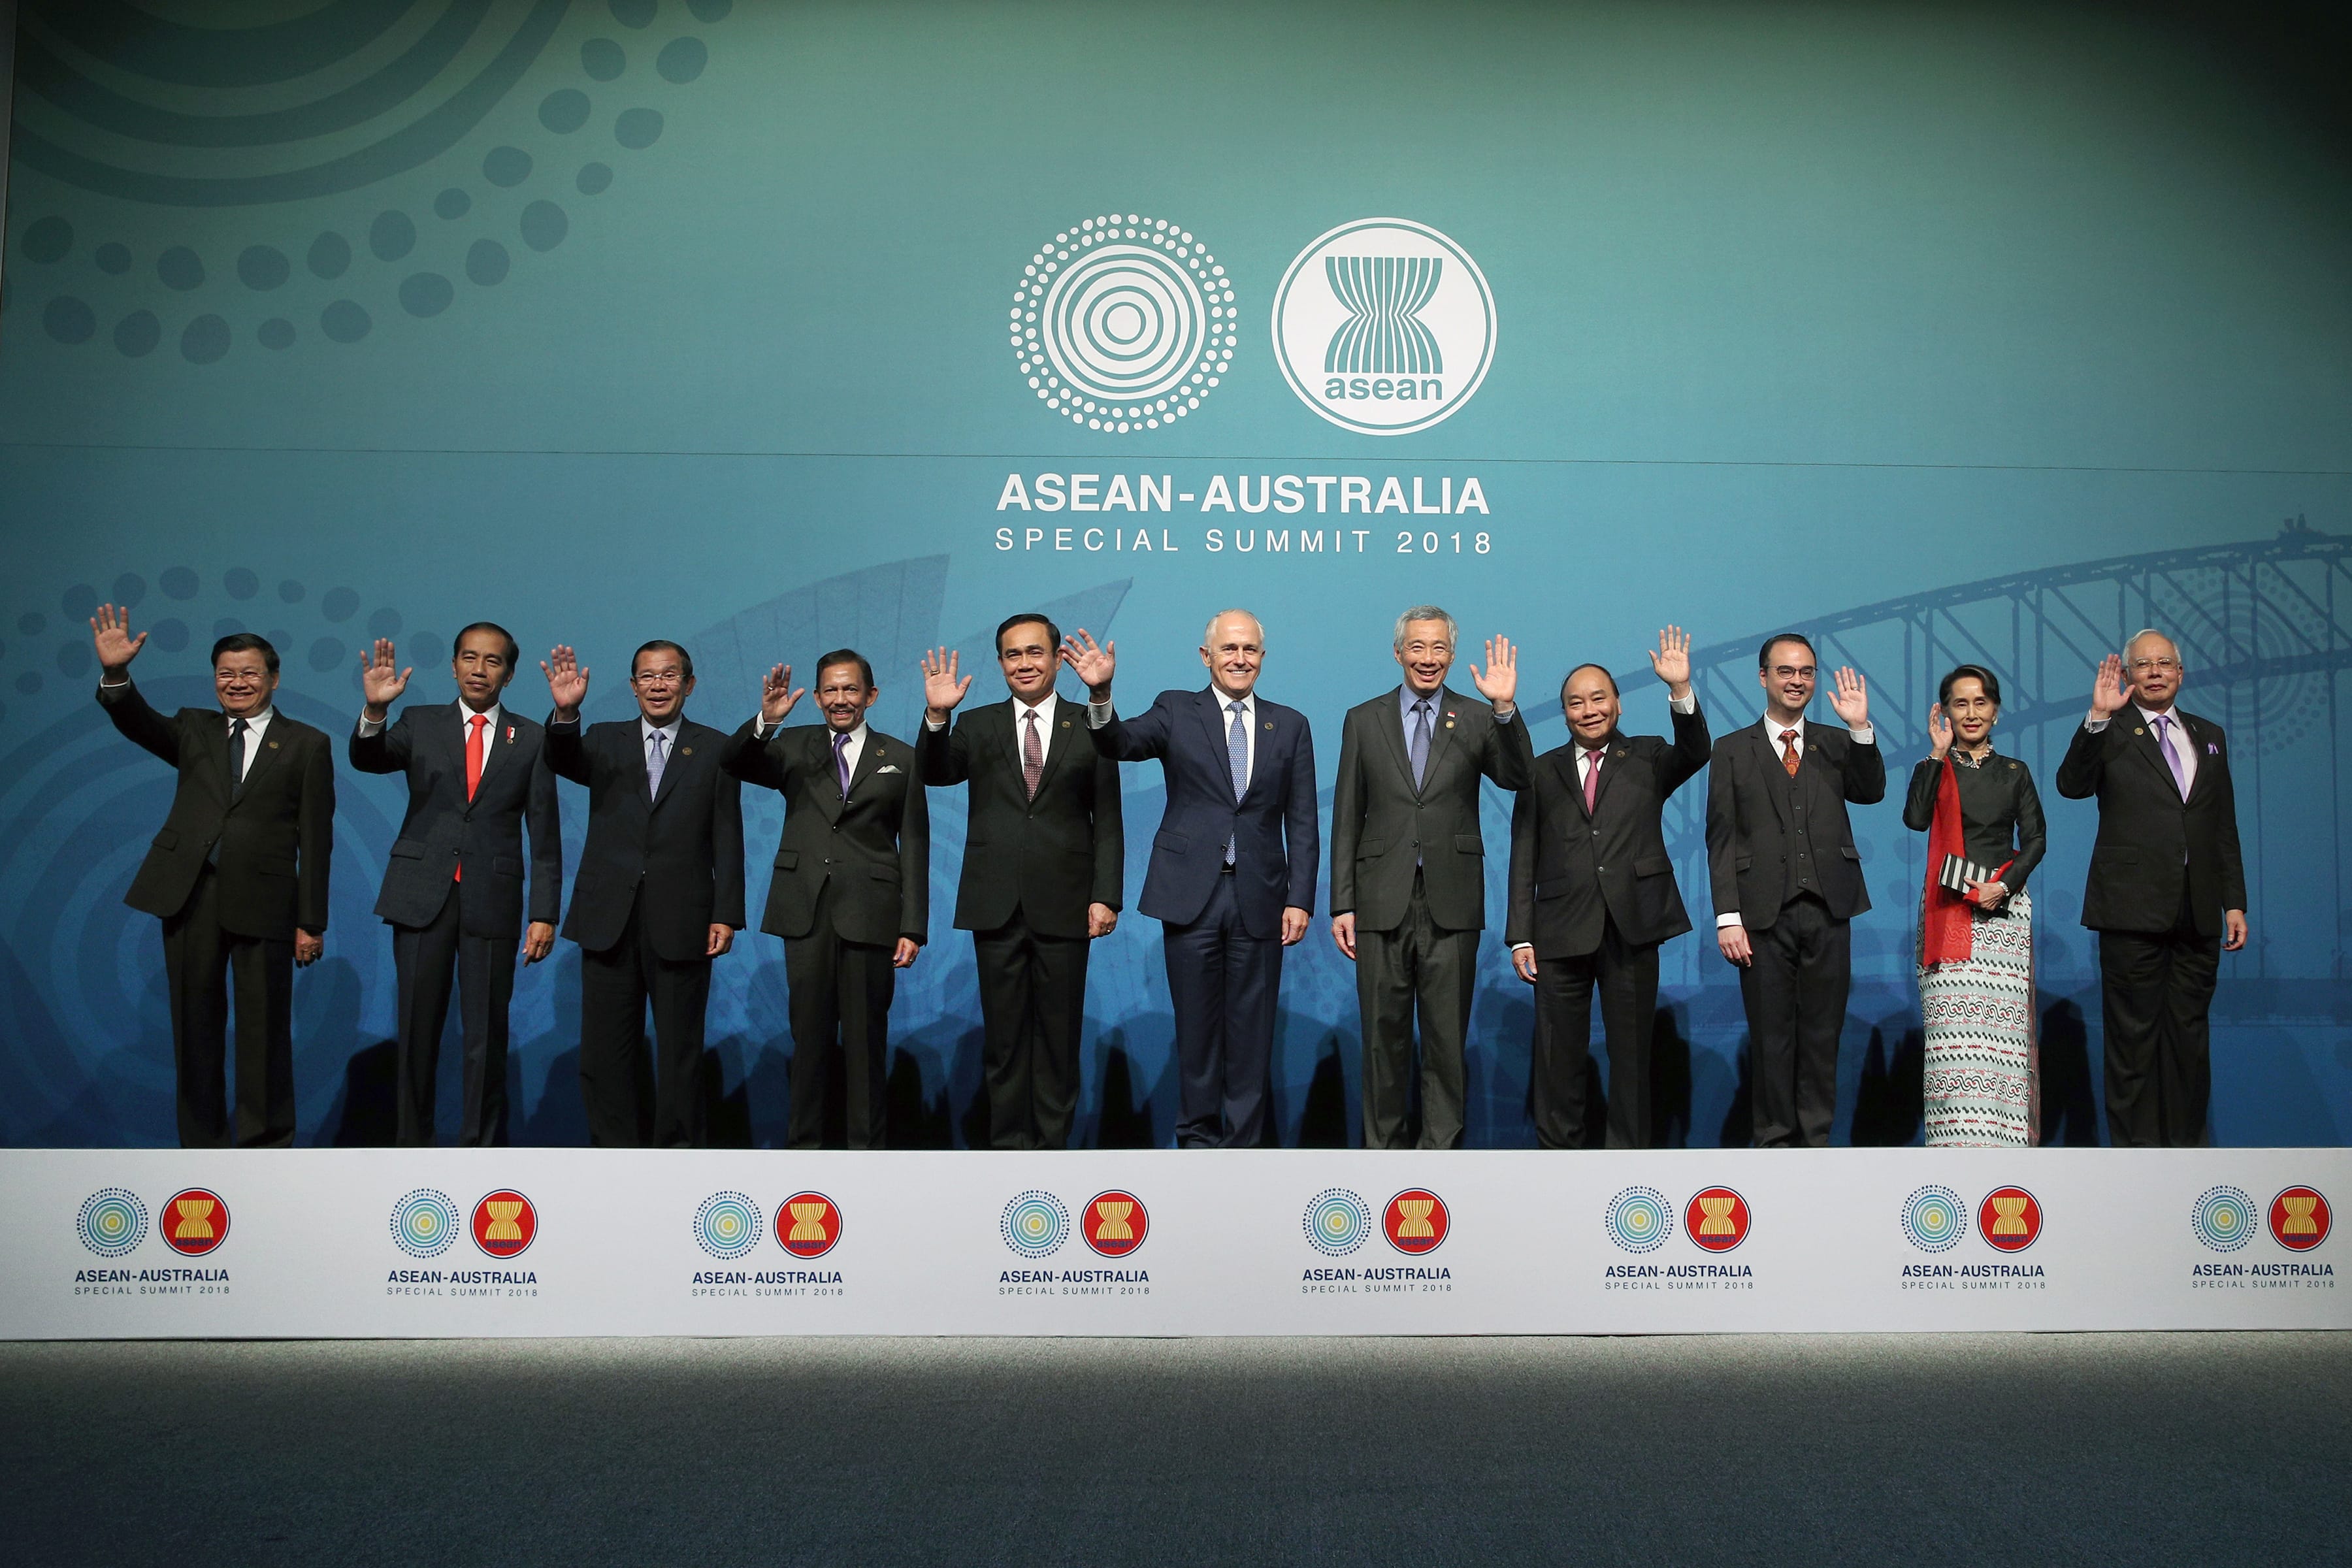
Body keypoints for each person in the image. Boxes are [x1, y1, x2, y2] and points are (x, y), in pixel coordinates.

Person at [1066, 610, 1318, 1149]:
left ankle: (1245, 1150)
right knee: (1198, 1032)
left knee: (1252, 1038)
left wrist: (1300, 898)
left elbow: (1302, 820)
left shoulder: (1289, 723)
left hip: (1260, 896)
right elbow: (1118, 744)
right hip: (1191, 898)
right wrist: (1101, 693)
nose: (1239, 659)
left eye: (1249, 649)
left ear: (1262, 658)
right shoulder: (1177, 709)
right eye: (1228, 649)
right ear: (1206, 657)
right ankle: (1198, 1147)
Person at [88, 607, 333, 1148]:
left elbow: (316, 841)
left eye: (248, 673)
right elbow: (138, 722)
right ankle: (201, 1147)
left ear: (273, 678)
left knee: (263, 1030)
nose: (237, 683)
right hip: (190, 894)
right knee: (193, 1027)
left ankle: (263, 1144)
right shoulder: (194, 728)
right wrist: (116, 676)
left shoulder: (307, 744)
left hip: (266, 901)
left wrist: (310, 921)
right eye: (226, 673)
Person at [350, 627, 562, 1146]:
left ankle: (480, 1149)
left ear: (508, 675)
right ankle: (411, 1147)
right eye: (469, 658)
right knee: (417, 1032)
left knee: (485, 1036)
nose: (478, 669)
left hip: (492, 899)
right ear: (452, 666)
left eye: (492, 662)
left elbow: (545, 832)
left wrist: (545, 912)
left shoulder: (531, 737)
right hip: (421, 895)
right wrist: (374, 712)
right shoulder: (420, 723)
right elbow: (369, 759)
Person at [1330, 606, 1532, 1149]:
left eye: (1439, 648)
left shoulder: (1475, 717)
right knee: (1382, 1041)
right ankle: (1384, 1156)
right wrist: (1341, 903)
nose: (1428, 659)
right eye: (1417, 647)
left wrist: (1505, 707)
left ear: (1452, 654)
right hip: (1379, 900)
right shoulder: (1363, 719)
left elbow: (1517, 777)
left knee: (1446, 1040)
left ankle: (1441, 1163)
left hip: (1453, 899)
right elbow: (1347, 815)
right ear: (1398, 653)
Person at [917, 616, 1119, 1151]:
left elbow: (1109, 820)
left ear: (1057, 660)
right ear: (1001, 664)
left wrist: (1106, 895)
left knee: (1058, 1040)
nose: (1024, 664)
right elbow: (936, 773)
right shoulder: (977, 725)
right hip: (996, 904)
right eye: (1012, 655)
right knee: (1004, 1043)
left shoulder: (1091, 725)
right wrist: (938, 715)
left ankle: (1053, 1151)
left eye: (1035, 653)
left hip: (1068, 903)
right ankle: (1007, 1152)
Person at [1508, 629, 1710, 1149]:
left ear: (1617, 703)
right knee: (1557, 1058)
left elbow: (1696, 751)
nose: (1589, 710)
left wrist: (1681, 691)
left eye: (1599, 698)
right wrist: (1520, 934)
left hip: (1633, 924)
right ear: (1564, 713)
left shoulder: (1648, 755)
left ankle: (1629, 1165)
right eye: (1576, 703)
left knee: (1632, 1057)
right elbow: (1523, 853)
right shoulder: (1539, 771)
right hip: (1558, 930)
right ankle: (1559, 1160)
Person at [543, 640, 743, 1148]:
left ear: (689, 685)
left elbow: (727, 834)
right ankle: (614, 1158)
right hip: (609, 916)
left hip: (683, 919)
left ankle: (679, 1159)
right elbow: (562, 759)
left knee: (680, 1052)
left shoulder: (716, 747)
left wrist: (728, 912)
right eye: (648, 677)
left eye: (669, 676)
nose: (659, 685)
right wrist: (566, 713)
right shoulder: (604, 740)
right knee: (604, 1053)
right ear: (633, 687)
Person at [724, 651, 926, 1149]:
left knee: (865, 1045)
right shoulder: (791, 745)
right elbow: (735, 762)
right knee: (808, 1042)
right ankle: (804, 1156)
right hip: (805, 911)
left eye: (851, 690)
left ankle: (867, 1156)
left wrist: (912, 924)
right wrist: (767, 721)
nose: (841, 699)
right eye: (831, 691)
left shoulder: (899, 756)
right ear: (816, 698)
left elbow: (915, 841)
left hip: (872, 913)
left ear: (871, 696)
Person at [2055, 630, 2247, 1147]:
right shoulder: (2112, 730)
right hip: (2130, 907)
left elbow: (2221, 823)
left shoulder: (2209, 734)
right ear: (2128, 676)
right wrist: (2096, 719)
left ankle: (2185, 1153)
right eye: (2144, 664)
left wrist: (2234, 902)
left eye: (2166, 663)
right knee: (2133, 1040)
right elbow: (2071, 785)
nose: (2156, 671)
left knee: (2189, 1038)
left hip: (2199, 909)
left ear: (2181, 674)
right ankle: (2137, 1159)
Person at [1706, 633, 1884, 1148]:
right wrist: (1727, 916)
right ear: (1764, 677)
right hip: (1761, 916)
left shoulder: (1836, 741)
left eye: (1806, 671)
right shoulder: (1732, 750)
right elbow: (1720, 838)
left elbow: (1871, 792)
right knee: (1771, 1038)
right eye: (1786, 671)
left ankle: (1816, 1143)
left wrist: (1860, 728)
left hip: (1831, 907)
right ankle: (1774, 1143)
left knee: (1823, 1035)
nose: (1797, 680)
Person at [1902, 664, 2047, 1147]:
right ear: (1944, 712)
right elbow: (1915, 819)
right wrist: (1936, 756)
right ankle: (1953, 1144)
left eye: (1980, 702)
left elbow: (2036, 840)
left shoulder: (2014, 772)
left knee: (2000, 1043)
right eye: (1959, 703)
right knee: (1952, 1038)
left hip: (2001, 912)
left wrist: (2003, 888)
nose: (1971, 713)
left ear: (1996, 711)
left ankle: (2005, 1147)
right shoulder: (1936, 766)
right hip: (1947, 912)